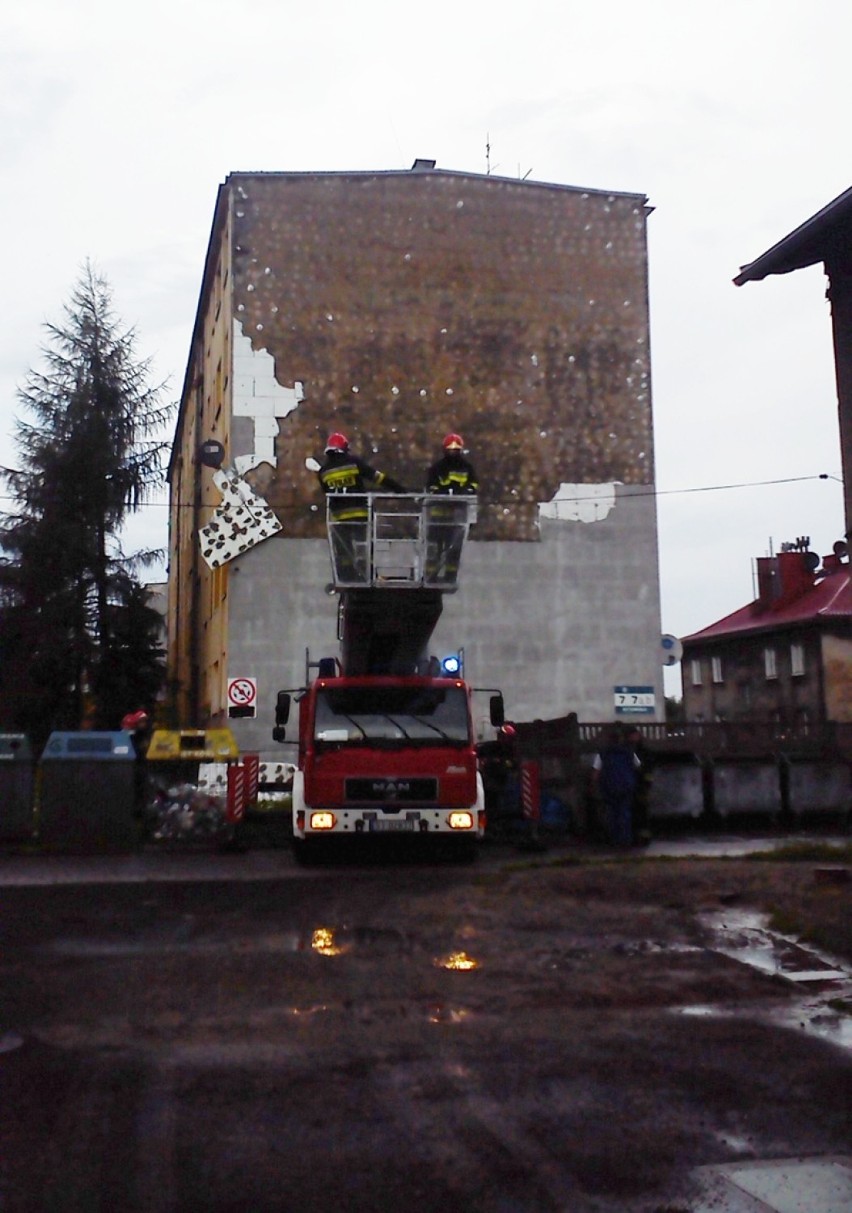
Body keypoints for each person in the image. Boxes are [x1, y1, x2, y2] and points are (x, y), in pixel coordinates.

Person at [317, 432, 406, 581]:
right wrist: (400, 490)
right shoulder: (353, 463)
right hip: (360, 514)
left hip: (339, 519)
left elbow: (327, 493)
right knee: (363, 548)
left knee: (344, 551)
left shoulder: (323, 471)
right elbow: (378, 478)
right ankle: (367, 576)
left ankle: (347, 577)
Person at [424, 433, 478, 584]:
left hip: (457, 518)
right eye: (450, 449)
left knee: (454, 550)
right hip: (437, 517)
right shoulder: (437, 468)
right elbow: (432, 487)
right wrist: (445, 492)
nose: (453, 452)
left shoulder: (467, 468)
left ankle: (450, 576)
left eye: (456, 449)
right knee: (434, 549)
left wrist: (463, 492)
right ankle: (431, 577)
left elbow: (473, 485)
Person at [591, 723, 641, 848]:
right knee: (624, 812)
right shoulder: (629, 752)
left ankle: (614, 840)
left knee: (612, 813)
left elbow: (596, 773)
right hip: (626, 786)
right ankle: (626, 840)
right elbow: (638, 766)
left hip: (609, 787)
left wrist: (593, 786)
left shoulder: (602, 753)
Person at [627, 725, 653, 846]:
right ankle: (637, 836)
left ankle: (643, 837)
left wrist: (647, 783)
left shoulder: (641, 751)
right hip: (632, 785)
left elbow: (648, 769)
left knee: (642, 812)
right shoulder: (633, 750)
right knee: (636, 811)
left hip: (640, 785)